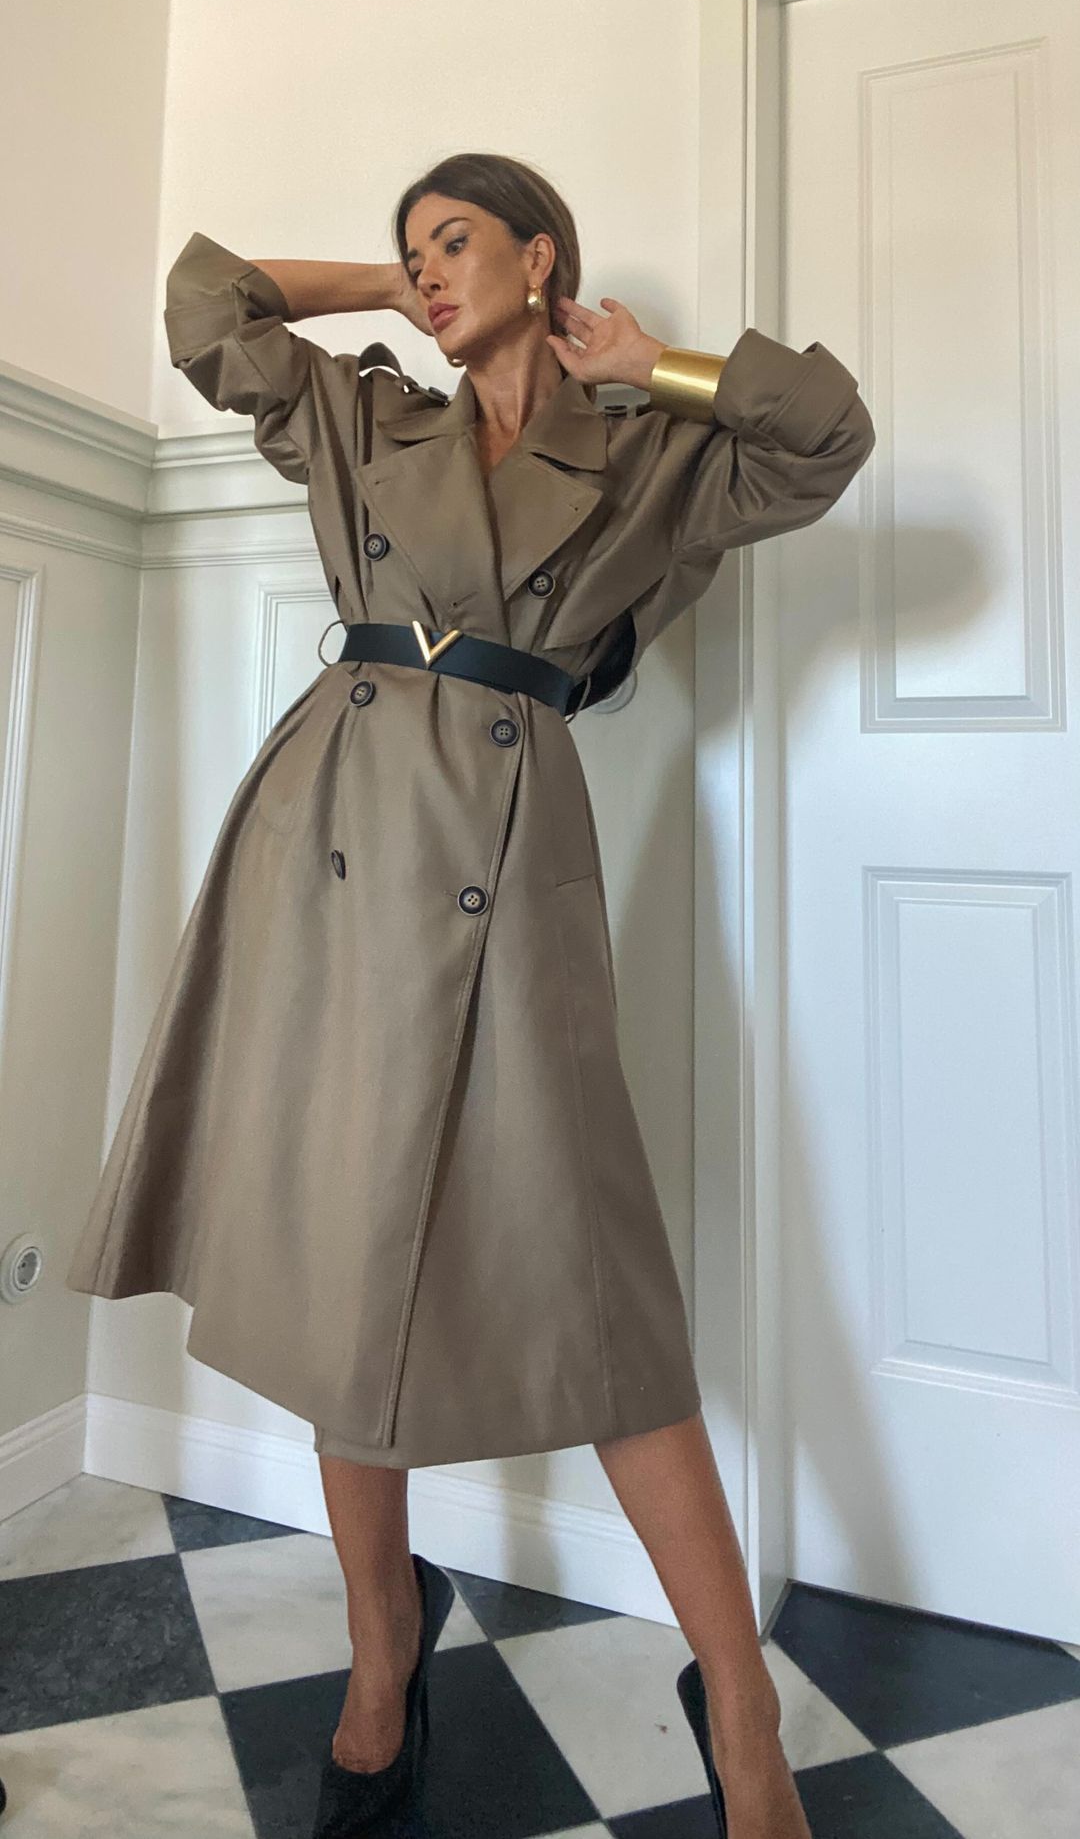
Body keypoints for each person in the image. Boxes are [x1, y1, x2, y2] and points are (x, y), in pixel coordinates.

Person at [66, 150, 874, 1837]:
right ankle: (383, 1645)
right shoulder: (371, 418)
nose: (427, 267)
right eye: (409, 250)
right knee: (335, 1256)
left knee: (598, 1282)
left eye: (454, 240)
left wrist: (651, 362)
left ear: (542, 254)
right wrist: (380, 291)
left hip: (516, 850)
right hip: (335, 836)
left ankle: (739, 1702)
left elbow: (826, 434)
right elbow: (206, 306)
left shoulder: (649, 446)